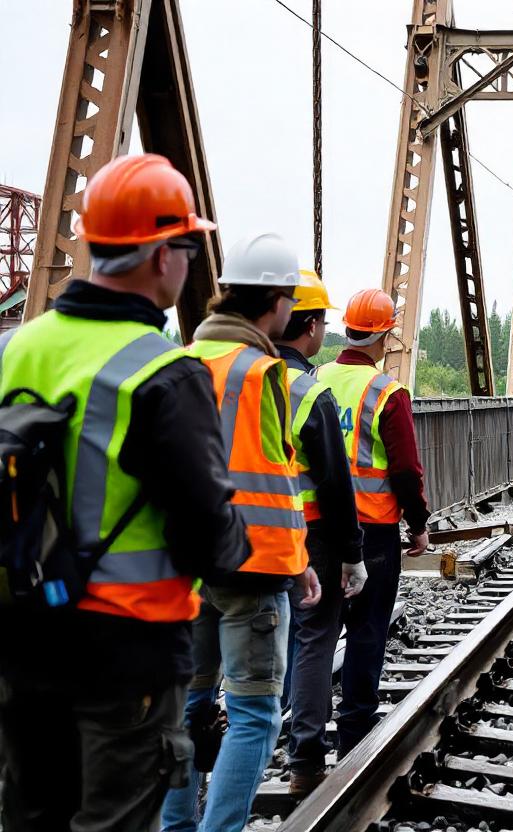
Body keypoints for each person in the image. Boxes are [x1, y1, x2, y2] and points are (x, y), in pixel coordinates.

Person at [0, 154, 247, 831]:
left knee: (31, 817)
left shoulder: (15, 348)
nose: (193, 262)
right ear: (161, 254)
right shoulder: (164, 371)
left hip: (22, 637)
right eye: (190, 246)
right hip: (127, 653)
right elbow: (212, 541)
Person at [161, 232, 320, 832]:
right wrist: (298, 557)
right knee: (255, 713)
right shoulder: (262, 371)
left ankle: (177, 828)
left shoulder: (178, 362)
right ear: (277, 302)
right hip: (252, 566)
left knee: (187, 704)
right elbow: (275, 476)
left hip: (184, 564)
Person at [316, 288, 429, 757]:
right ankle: (354, 728)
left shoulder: (315, 377)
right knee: (366, 627)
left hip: (316, 526)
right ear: (385, 335)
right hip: (373, 531)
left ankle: (307, 726)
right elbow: (404, 469)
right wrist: (418, 523)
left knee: (318, 629)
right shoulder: (387, 392)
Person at [275, 270, 366, 796]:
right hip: (310, 536)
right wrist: (353, 553)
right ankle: (304, 757)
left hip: (232, 532)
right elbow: (335, 485)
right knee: (314, 640)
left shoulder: (233, 377)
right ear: (310, 326)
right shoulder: (310, 393)